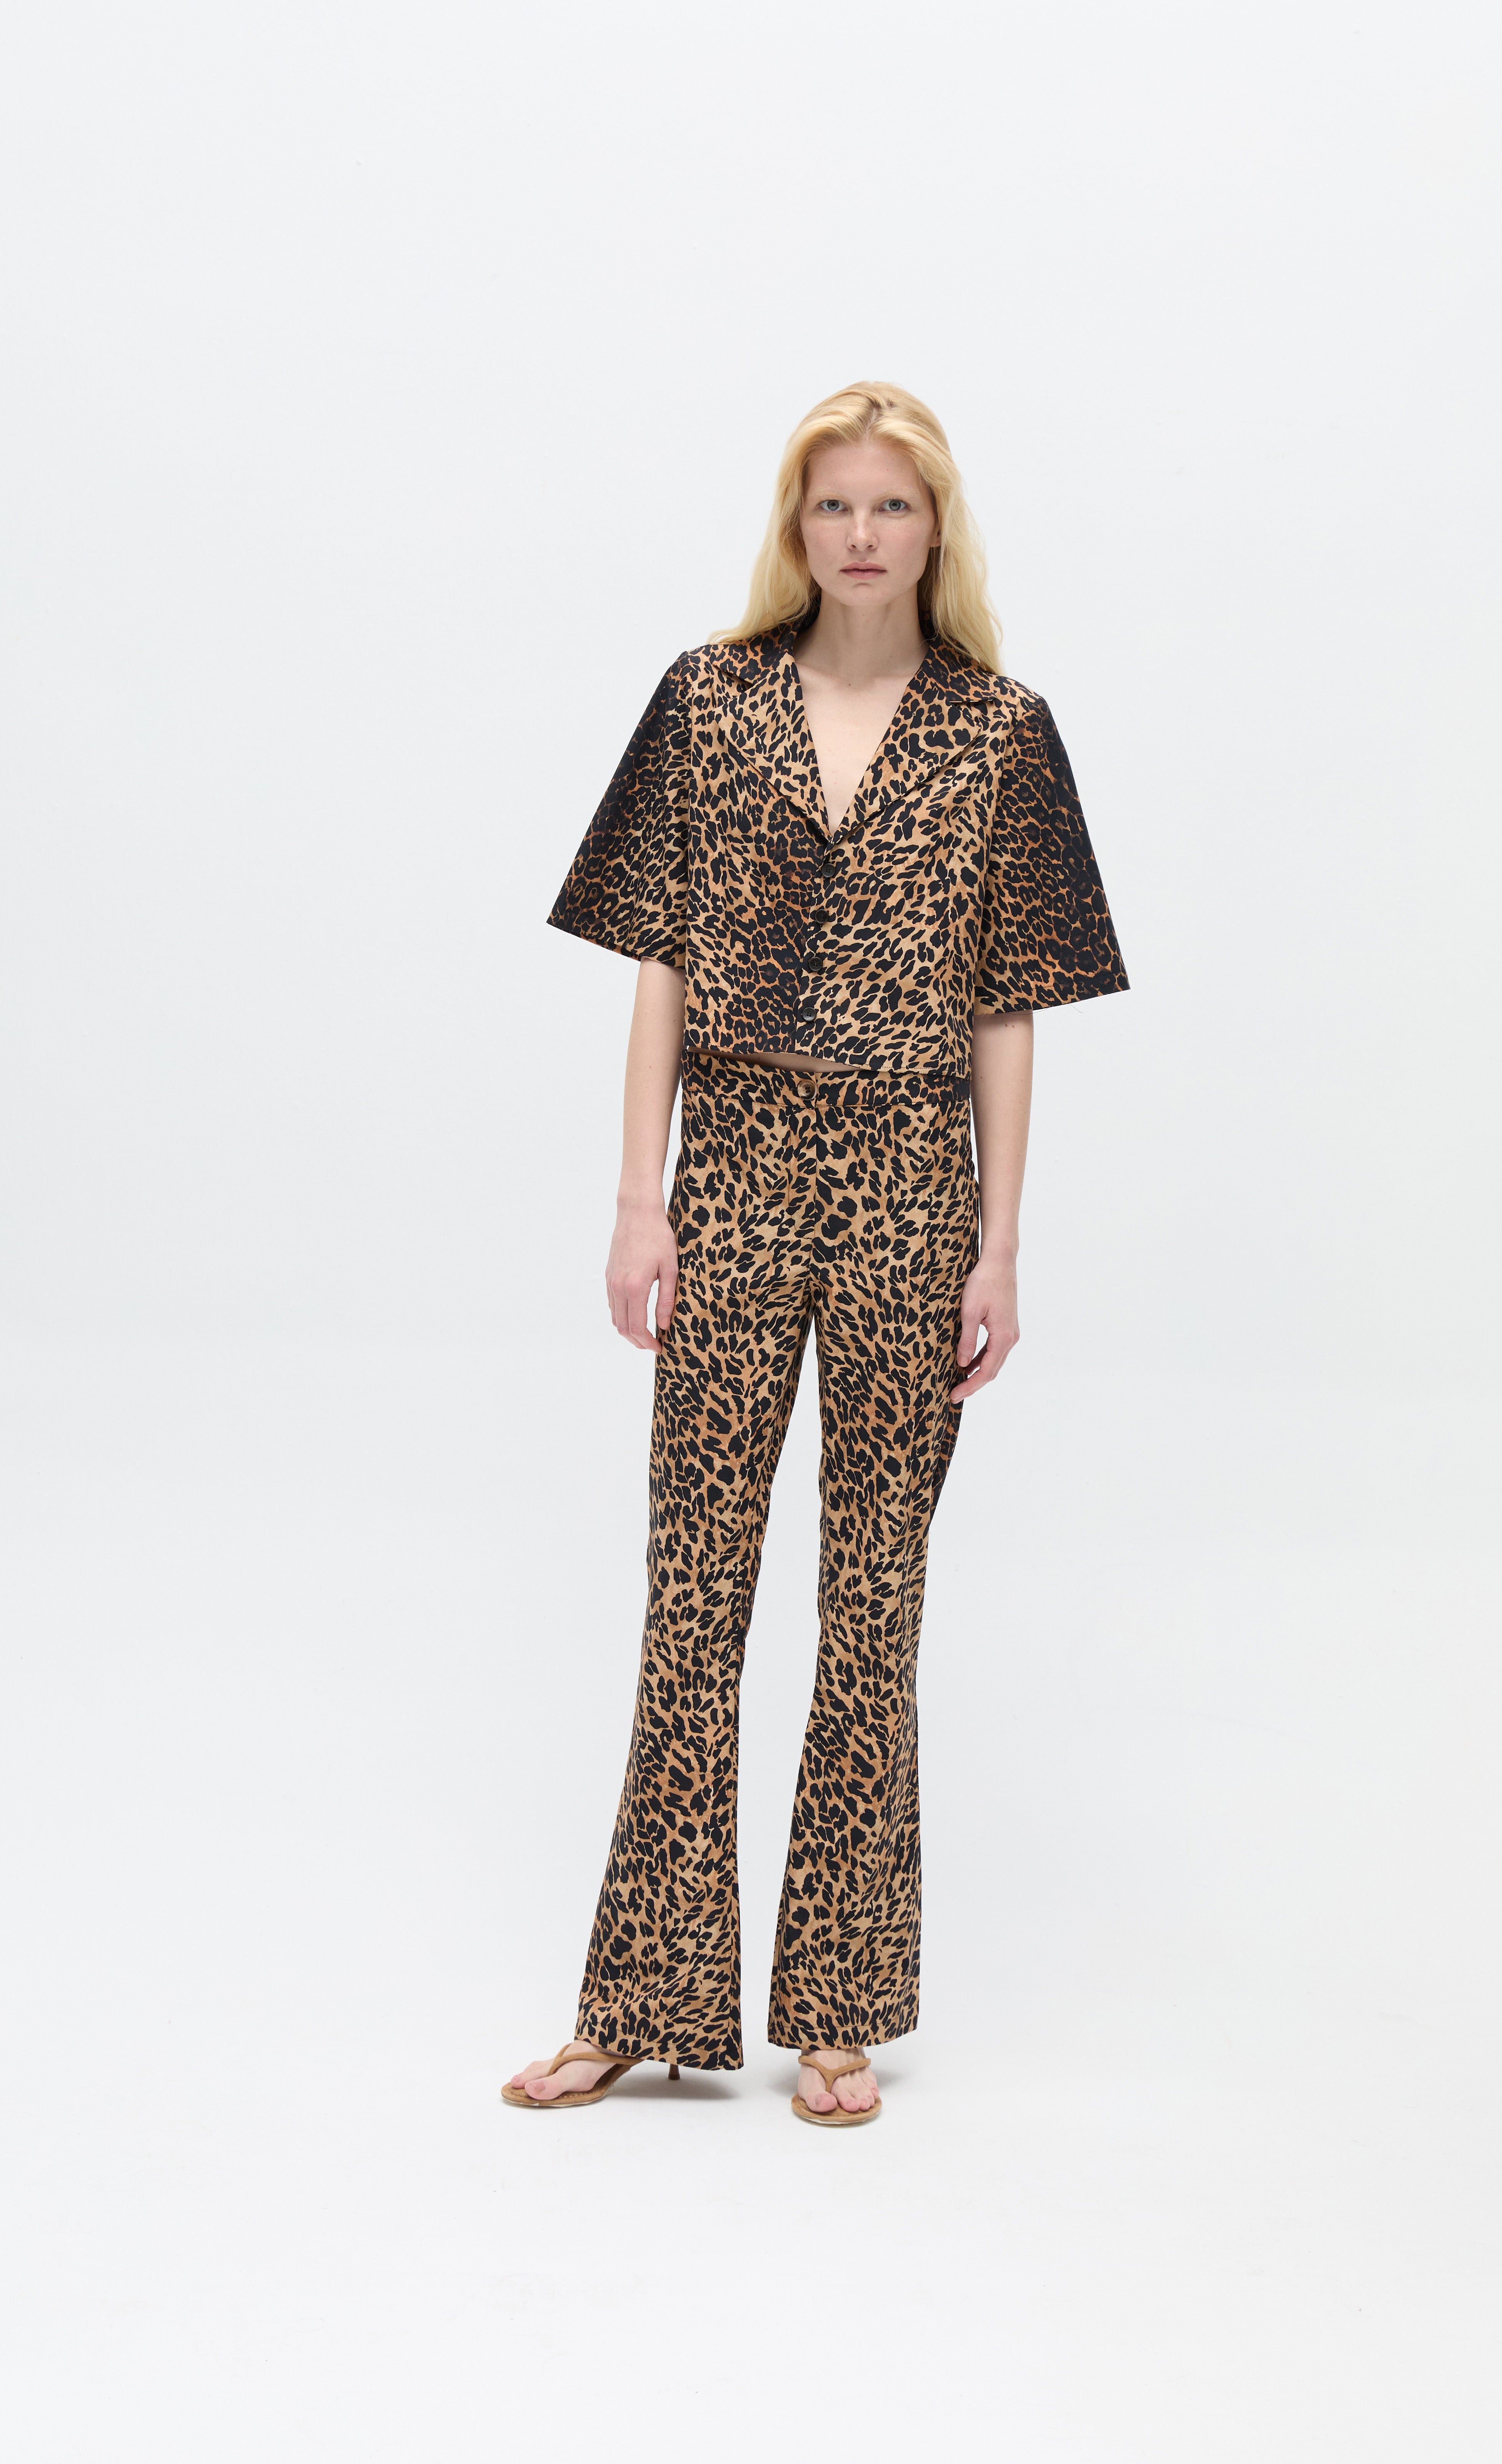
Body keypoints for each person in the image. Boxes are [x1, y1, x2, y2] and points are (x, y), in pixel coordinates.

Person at [504, 381, 1127, 2126]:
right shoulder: (707, 702)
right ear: (797, 525)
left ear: (936, 530)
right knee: (691, 1588)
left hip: (912, 1184)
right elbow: (657, 961)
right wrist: (640, 1198)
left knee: (873, 1601)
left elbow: (1008, 1004)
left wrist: (999, 1244)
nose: (861, 535)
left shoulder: (1001, 733)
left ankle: (838, 2006)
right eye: (833, 505)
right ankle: (639, 1996)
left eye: (892, 507)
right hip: (735, 1168)